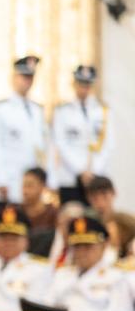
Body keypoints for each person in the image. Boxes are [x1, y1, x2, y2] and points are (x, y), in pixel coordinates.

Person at [47, 214, 134, 311]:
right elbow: (48, 305)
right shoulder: (62, 274)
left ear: (104, 245)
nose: (81, 252)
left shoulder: (117, 277)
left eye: (88, 246)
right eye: (77, 246)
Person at [0, 55, 46, 204]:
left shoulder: (37, 110)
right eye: (24, 76)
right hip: (8, 184)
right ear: (14, 77)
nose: (27, 81)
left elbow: (41, 148)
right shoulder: (0, 109)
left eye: (30, 77)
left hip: (32, 188)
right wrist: (0, 180)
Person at [51, 65, 108, 206]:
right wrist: (81, 170)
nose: (84, 89)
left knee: (94, 222)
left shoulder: (102, 111)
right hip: (70, 177)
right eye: (81, 84)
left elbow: (108, 145)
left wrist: (93, 172)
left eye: (87, 85)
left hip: (96, 178)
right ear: (74, 84)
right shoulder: (62, 111)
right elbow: (60, 144)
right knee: (72, 218)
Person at [84, 176, 135, 259]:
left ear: (114, 193)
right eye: (95, 198)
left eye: (104, 196)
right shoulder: (86, 223)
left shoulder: (126, 220)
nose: (100, 203)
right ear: (88, 198)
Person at [21, 167, 57, 257]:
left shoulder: (53, 213)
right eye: (23, 186)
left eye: (30, 186)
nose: (25, 191)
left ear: (42, 186)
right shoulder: (15, 211)